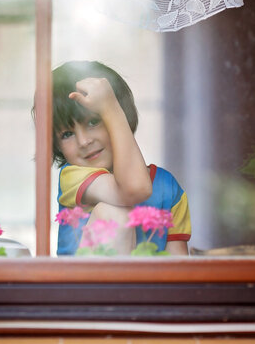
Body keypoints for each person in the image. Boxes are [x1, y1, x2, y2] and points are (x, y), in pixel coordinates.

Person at [51, 61, 191, 256]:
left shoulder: (168, 188)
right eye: (67, 134)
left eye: (93, 121)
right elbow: (134, 189)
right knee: (113, 214)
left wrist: (111, 108)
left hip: (147, 286)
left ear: (120, 116)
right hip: (81, 285)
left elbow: (178, 271)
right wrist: (109, 106)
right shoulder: (72, 176)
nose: (84, 141)